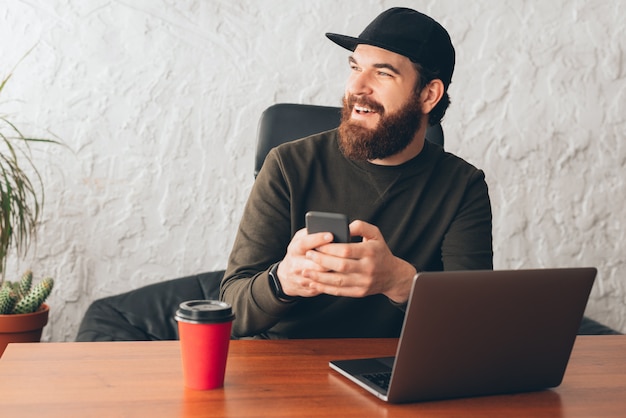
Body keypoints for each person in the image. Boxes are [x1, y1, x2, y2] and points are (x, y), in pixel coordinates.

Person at [220, 7, 493, 340]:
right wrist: (284, 280)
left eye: (382, 74)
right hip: (285, 367)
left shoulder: (462, 186)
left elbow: (473, 326)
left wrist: (400, 281)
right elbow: (230, 312)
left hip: (392, 370)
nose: (356, 87)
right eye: (354, 67)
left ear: (428, 95)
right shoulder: (288, 165)